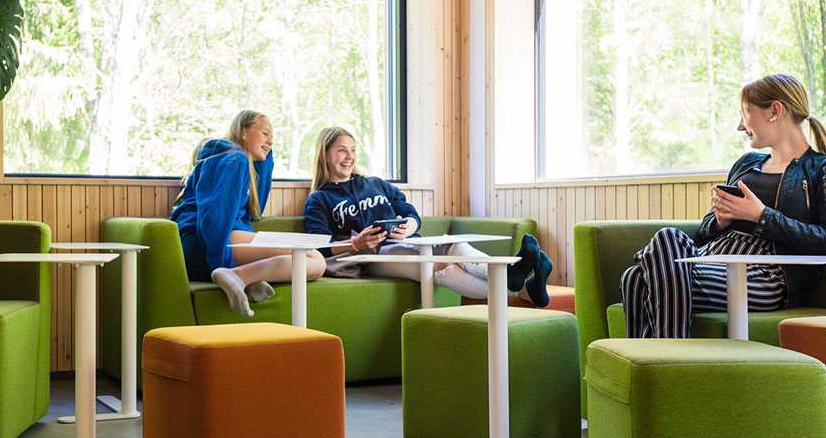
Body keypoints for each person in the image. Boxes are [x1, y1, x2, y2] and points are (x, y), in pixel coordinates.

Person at [620, 73, 826, 338]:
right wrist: (720, 220)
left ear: (775, 111)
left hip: (765, 274)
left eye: (745, 113)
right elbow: (705, 231)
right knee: (668, 238)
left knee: (637, 278)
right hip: (712, 257)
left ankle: (664, 358)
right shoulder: (746, 163)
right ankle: (667, 357)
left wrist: (762, 217)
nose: (739, 126)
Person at [304, 126, 553, 304]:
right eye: (341, 151)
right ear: (325, 153)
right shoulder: (321, 199)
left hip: (408, 242)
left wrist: (410, 227)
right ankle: (514, 276)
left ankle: (519, 283)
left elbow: (409, 212)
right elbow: (319, 247)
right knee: (440, 265)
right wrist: (356, 244)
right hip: (374, 257)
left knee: (456, 244)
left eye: (353, 150)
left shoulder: (375, 184)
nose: (349, 157)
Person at [171, 110, 325, 317]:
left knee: (314, 261)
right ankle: (235, 275)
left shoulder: (238, 162)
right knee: (313, 257)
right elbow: (214, 218)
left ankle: (241, 276)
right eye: (264, 133)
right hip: (206, 245)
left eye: (272, 137)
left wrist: (264, 160)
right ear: (244, 132)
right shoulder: (234, 159)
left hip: (206, 244)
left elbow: (255, 211)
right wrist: (218, 263)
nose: (270, 141)